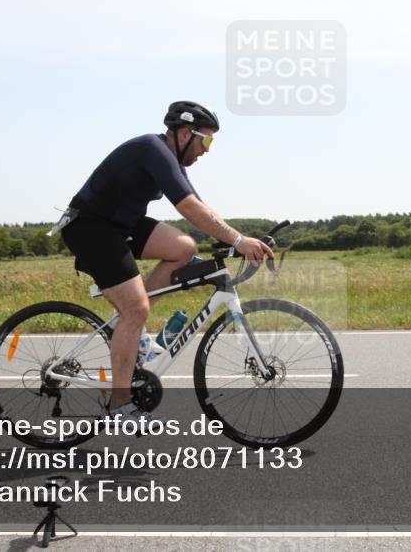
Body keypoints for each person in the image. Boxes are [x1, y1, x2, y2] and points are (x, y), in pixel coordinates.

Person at [58, 101, 274, 421]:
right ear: (186, 133)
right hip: (90, 228)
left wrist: (228, 246)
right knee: (137, 308)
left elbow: (202, 207)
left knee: (184, 247)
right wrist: (239, 241)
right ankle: (119, 404)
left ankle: (126, 328)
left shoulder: (171, 159)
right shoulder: (152, 149)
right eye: (207, 140)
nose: (208, 150)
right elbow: (188, 208)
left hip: (121, 225)